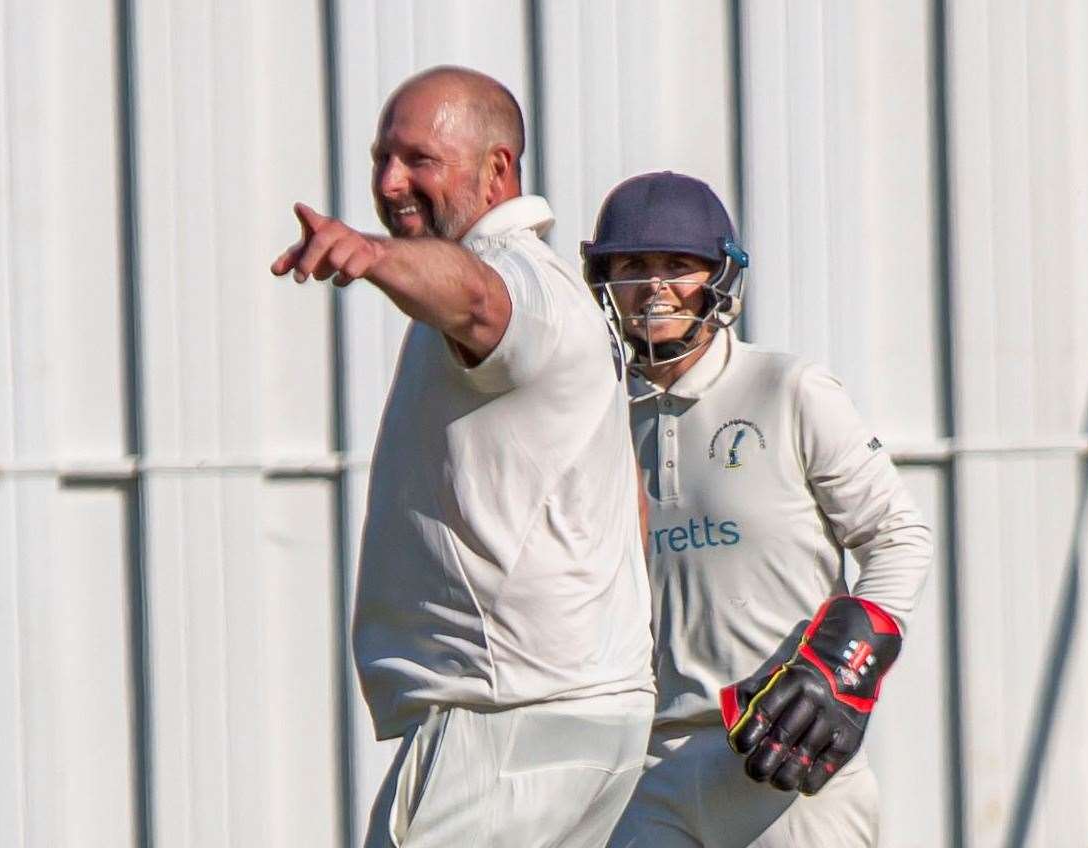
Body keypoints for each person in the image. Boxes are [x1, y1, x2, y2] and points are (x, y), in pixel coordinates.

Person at [270, 66, 655, 847]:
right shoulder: (558, 297)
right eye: (382, 156)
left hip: (508, 721)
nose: (390, 180)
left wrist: (373, 256)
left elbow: (476, 298)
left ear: (497, 171)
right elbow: (631, 506)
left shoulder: (521, 285)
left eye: (419, 158)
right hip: (576, 710)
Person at [581, 172, 933, 847]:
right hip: (648, 772)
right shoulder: (594, 420)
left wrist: (843, 667)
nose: (656, 287)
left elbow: (897, 535)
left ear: (719, 278)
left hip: (787, 762)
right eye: (633, 266)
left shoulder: (787, 388)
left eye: (678, 265)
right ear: (605, 283)